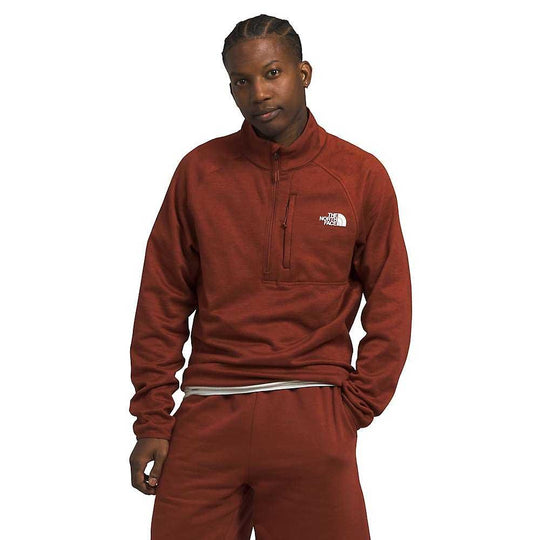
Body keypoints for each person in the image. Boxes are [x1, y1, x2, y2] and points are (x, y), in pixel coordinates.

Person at [128, 13, 412, 540]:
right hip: (208, 413)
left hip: (313, 410)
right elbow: (162, 298)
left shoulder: (359, 175)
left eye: (272, 73)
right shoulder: (199, 172)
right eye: (242, 80)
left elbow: (391, 298)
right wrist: (152, 419)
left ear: (303, 74)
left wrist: (357, 404)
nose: (258, 93)